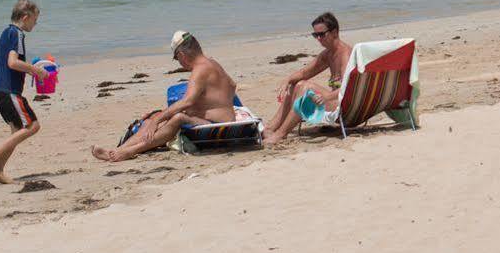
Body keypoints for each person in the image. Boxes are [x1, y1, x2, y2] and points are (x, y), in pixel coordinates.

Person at [93, 31, 239, 162]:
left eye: (176, 59)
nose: (179, 63)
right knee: (160, 117)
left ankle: (130, 150)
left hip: (219, 128)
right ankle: (118, 150)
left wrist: (156, 120)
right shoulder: (213, 63)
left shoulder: (200, 70)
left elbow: (187, 101)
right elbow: (232, 85)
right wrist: (216, 104)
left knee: (176, 117)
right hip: (223, 122)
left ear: (182, 55)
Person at [261, 14, 350, 148]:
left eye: (322, 34)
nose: (319, 39)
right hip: (333, 101)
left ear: (335, 32)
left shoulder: (345, 54)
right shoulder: (328, 54)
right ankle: (270, 129)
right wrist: (288, 80)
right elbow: (304, 73)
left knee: (304, 86)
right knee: (294, 84)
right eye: (315, 35)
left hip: (344, 106)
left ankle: (281, 133)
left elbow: (347, 87)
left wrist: (326, 96)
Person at [0, 0, 46, 183]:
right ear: (25, 17)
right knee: (32, 126)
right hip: (9, 91)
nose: (35, 25)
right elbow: (12, 62)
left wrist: (27, 70)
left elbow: (9, 64)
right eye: (35, 21)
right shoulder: (17, 34)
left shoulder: (6, 32)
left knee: (16, 130)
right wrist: (34, 69)